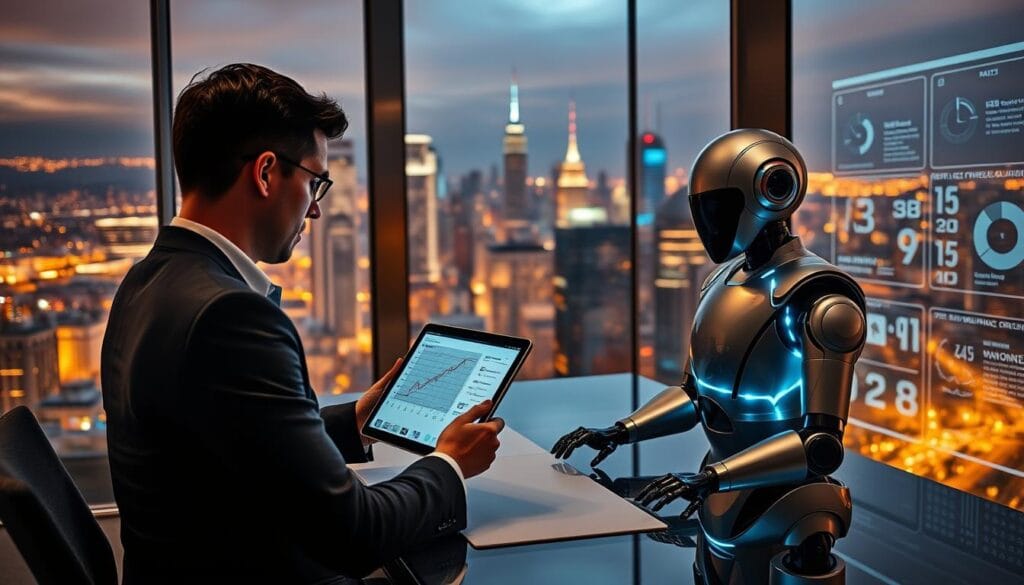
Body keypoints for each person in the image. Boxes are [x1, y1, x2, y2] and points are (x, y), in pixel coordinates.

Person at [100, 63, 504, 584]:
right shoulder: (230, 315)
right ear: (266, 173)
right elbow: (354, 534)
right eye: (316, 183)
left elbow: (231, 450)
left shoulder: (146, 282)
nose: (315, 210)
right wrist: (450, 464)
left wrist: (353, 420)